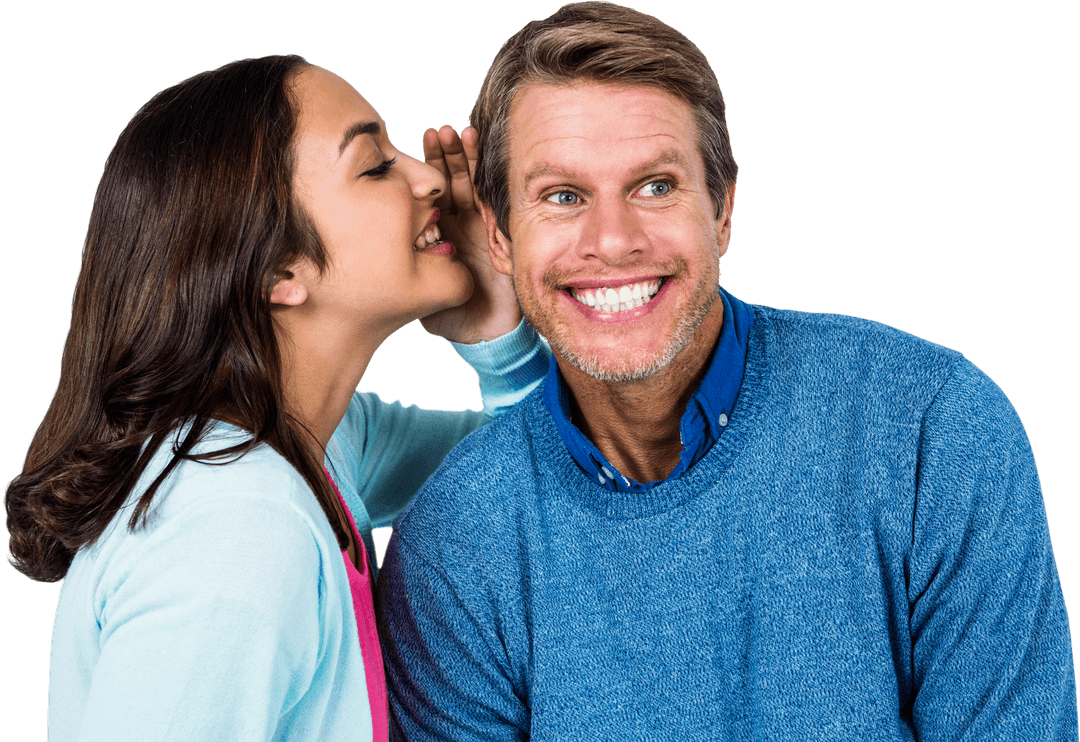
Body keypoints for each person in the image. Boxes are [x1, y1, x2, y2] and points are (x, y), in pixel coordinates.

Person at [375, 3, 1078, 739]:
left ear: (723, 210)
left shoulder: (931, 429)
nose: (612, 241)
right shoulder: (455, 544)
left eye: (654, 186)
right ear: (498, 234)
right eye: (562, 196)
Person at [3, 55, 548, 741]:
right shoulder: (237, 531)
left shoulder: (323, 445)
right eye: (375, 165)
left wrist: (500, 340)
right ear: (277, 269)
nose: (431, 178)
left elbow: (544, 479)